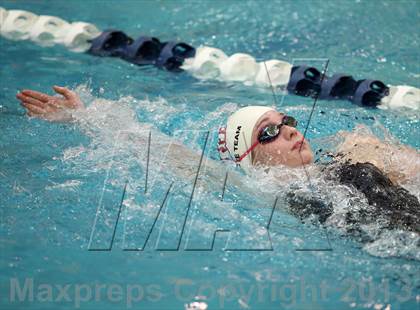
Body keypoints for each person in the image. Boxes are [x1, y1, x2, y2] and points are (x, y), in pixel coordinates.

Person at [16, 86, 420, 237]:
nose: (292, 132)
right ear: (251, 158)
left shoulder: (354, 152)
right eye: (268, 132)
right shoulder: (265, 190)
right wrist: (84, 118)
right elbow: (165, 153)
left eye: (288, 122)